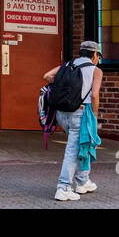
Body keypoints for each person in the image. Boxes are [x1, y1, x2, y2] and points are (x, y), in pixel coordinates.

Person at [43, 40, 103, 201]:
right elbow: (95, 95)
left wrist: (64, 92)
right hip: (80, 113)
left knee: (82, 144)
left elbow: (47, 76)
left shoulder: (67, 65)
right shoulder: (95, 70)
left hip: (61, 114)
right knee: (73, 150)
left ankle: (83, 181)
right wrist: (94, 116)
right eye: (98, 55)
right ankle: (63, 188)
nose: (98, 59)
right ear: (95, 55)